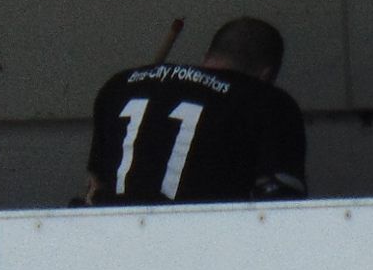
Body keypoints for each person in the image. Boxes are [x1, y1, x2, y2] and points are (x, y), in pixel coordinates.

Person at [84, 17, 306, 205]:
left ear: (206, 56)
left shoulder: (121, 85)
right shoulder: (267, 101)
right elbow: (281, 203)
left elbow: (96, 186)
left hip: (115, 238)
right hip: (204, 242)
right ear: (266, 75)